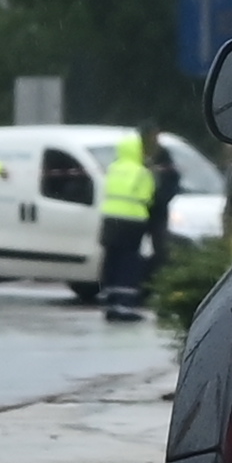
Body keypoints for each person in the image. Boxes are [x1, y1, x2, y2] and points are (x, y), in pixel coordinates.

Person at [96, 127, 160, 321]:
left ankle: (110, 301)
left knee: (112, 260)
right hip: (132, 222)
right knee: (129, 262)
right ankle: (125, 306)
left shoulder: (113, 168)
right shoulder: (142, 172)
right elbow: (147, 197)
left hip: (109, 220)